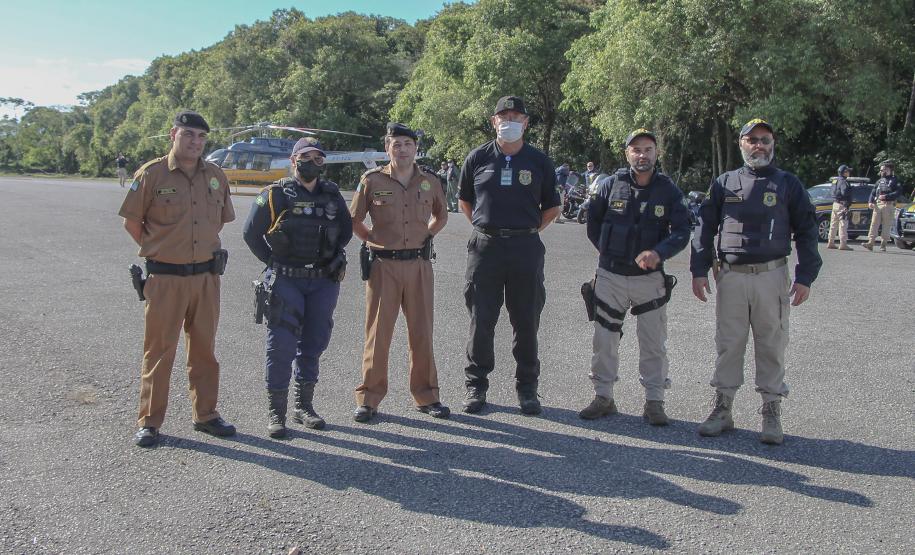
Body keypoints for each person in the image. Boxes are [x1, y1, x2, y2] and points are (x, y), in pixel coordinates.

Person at [690, 118, 822, 445]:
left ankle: (771, 411)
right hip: (731, 277)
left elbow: (807, 231)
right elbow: (704, 227)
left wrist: (805, 276)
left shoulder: (788, 184)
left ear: (773, 143)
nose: (759, 145)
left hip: (771, 275)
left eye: (764, 139)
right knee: (728, 342)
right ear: (741, 144)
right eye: (752, 140)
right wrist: (698, 269)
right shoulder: (723, 182)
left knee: (771, 343)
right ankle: (723, 408)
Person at [119, 110, 236, 448]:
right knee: (159, 351)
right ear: (173, 135)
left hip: (206, 278)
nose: (195, 142)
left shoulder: (215, 175)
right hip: (165, 277)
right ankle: (150, 421)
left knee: (205, 351)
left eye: (201, 137)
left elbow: (222, 219)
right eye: (188, 135)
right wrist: (160, 249)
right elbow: (131, 222)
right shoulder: (152, 174)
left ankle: (206, 414)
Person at [242, 137, 353, 438]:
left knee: (314, 342)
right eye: (306, 156)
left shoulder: (331, 195)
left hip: (322, 282)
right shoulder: (275, 194)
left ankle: (303, 406)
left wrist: (327, 256)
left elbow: (345, 231)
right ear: (293, 160)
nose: (312, 162)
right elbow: (251, 234)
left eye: (319, 158)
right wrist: (273, 261)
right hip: (286, 279)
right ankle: (276, 413)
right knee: (281, 345)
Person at [579, 129, 690, 425]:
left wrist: (659, 252)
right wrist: (607, 254)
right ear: (627, 153)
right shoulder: (609, 185)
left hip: (650, 280)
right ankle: (603, 396)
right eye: (636, 149)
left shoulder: (668, 190)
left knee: (653, 342)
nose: (642, 155)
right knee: (604, 339)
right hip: (611, 276)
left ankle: (654, 401)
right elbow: (594, 223)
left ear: (656, 153)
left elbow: (682, 231)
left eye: (648, 149)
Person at [458, 95, 561, 415]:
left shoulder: (539, 161)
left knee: (526, 321)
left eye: (517, 116)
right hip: (485, 248)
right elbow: (464, 201)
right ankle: (477, 387)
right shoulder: (477, 158)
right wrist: (486, 228)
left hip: (525, 248)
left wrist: (525, 232)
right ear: (494, 121)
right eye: (504, 116)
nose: (510, 121)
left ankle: (527, 388)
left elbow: (553, 207)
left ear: (526, 123)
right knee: (482, 320)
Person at [349, 122, 449, 422]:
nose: (402, 149)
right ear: (387, 148)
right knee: (378, 334)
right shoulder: (371, 180)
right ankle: (368, 398)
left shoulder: (430, 181)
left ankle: (427, 396)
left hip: (419, 266)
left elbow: (441, 216)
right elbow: (354, 220)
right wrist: (373, 241)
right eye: (396, 143)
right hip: (384, 266)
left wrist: (425, 236)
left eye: (407, 143)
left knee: (422, 332)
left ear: (415, 148)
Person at [863, 160, 901, 252]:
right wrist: (870, 201)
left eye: (882, 170)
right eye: (880, 170)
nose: (881, 172)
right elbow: (873, 192)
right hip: (878, 204)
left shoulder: (895, 180)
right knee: (874, 224)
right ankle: (870, 243)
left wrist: (886, 196)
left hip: (888, 205)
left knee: (886, 225)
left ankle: (883, 244)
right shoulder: (879, 180)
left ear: (888, 169)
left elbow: (898, 192)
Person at [826, 165, 854, 250]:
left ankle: (830, 242)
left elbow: (832, 192)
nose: (849, 173)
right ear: (844, 172)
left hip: (835, 204)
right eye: (847, 171)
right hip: (842, 205)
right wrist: (847, 203)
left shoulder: (835, 180)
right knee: (843, 225)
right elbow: (844, 192)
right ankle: (843, 244)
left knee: (833, 225)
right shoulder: (843, 181)